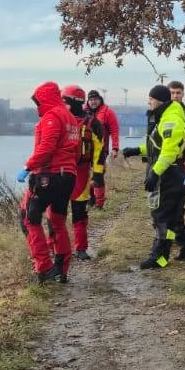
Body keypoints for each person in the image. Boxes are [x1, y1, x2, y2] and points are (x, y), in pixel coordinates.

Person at [122, 85, 185, 268]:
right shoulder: (164, 117)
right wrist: (135, 150)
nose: (149, 102)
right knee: (169, 216)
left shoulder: (171, 119)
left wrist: (155, 173)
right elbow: (157, 145)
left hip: (169, 173)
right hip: (167, 172)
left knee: (161, 215)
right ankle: (181, 248)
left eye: (151, 99)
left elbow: (169, 152)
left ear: (159, 100)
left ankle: (159, 256)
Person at [17, 81, 80, 283]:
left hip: (49, 176)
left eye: (37, 102)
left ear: (44, 99)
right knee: (57, 221)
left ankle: (43, 268)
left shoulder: (52, 116)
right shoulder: (70, 118)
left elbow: (46, 147)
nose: (37, 107)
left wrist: (28, 167)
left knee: (28, 217)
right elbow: (75, 150)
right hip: (68, 176)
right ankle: (61, 269)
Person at [62, 84, 106, 260]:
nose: (62, 104)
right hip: (60, 171)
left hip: (80, 173)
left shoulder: (93, 123)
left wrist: (97, 174)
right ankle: (57, 248)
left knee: (79, 212)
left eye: (65, 100)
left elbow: (99, 152)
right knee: (56, 214)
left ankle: (80, 247)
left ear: (73, 101)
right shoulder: (60, 119)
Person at [85, 89, 120, 208]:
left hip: (101, 150)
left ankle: (99, 204)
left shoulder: (108, 112)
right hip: (85, 150)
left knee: (98, 175)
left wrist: (115, 148)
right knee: (85, 176)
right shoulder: (83, 112)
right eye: (90, 100)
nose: (93, 102)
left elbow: (114, 131)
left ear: (100, 100)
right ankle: (91, 199)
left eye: (95, 99)